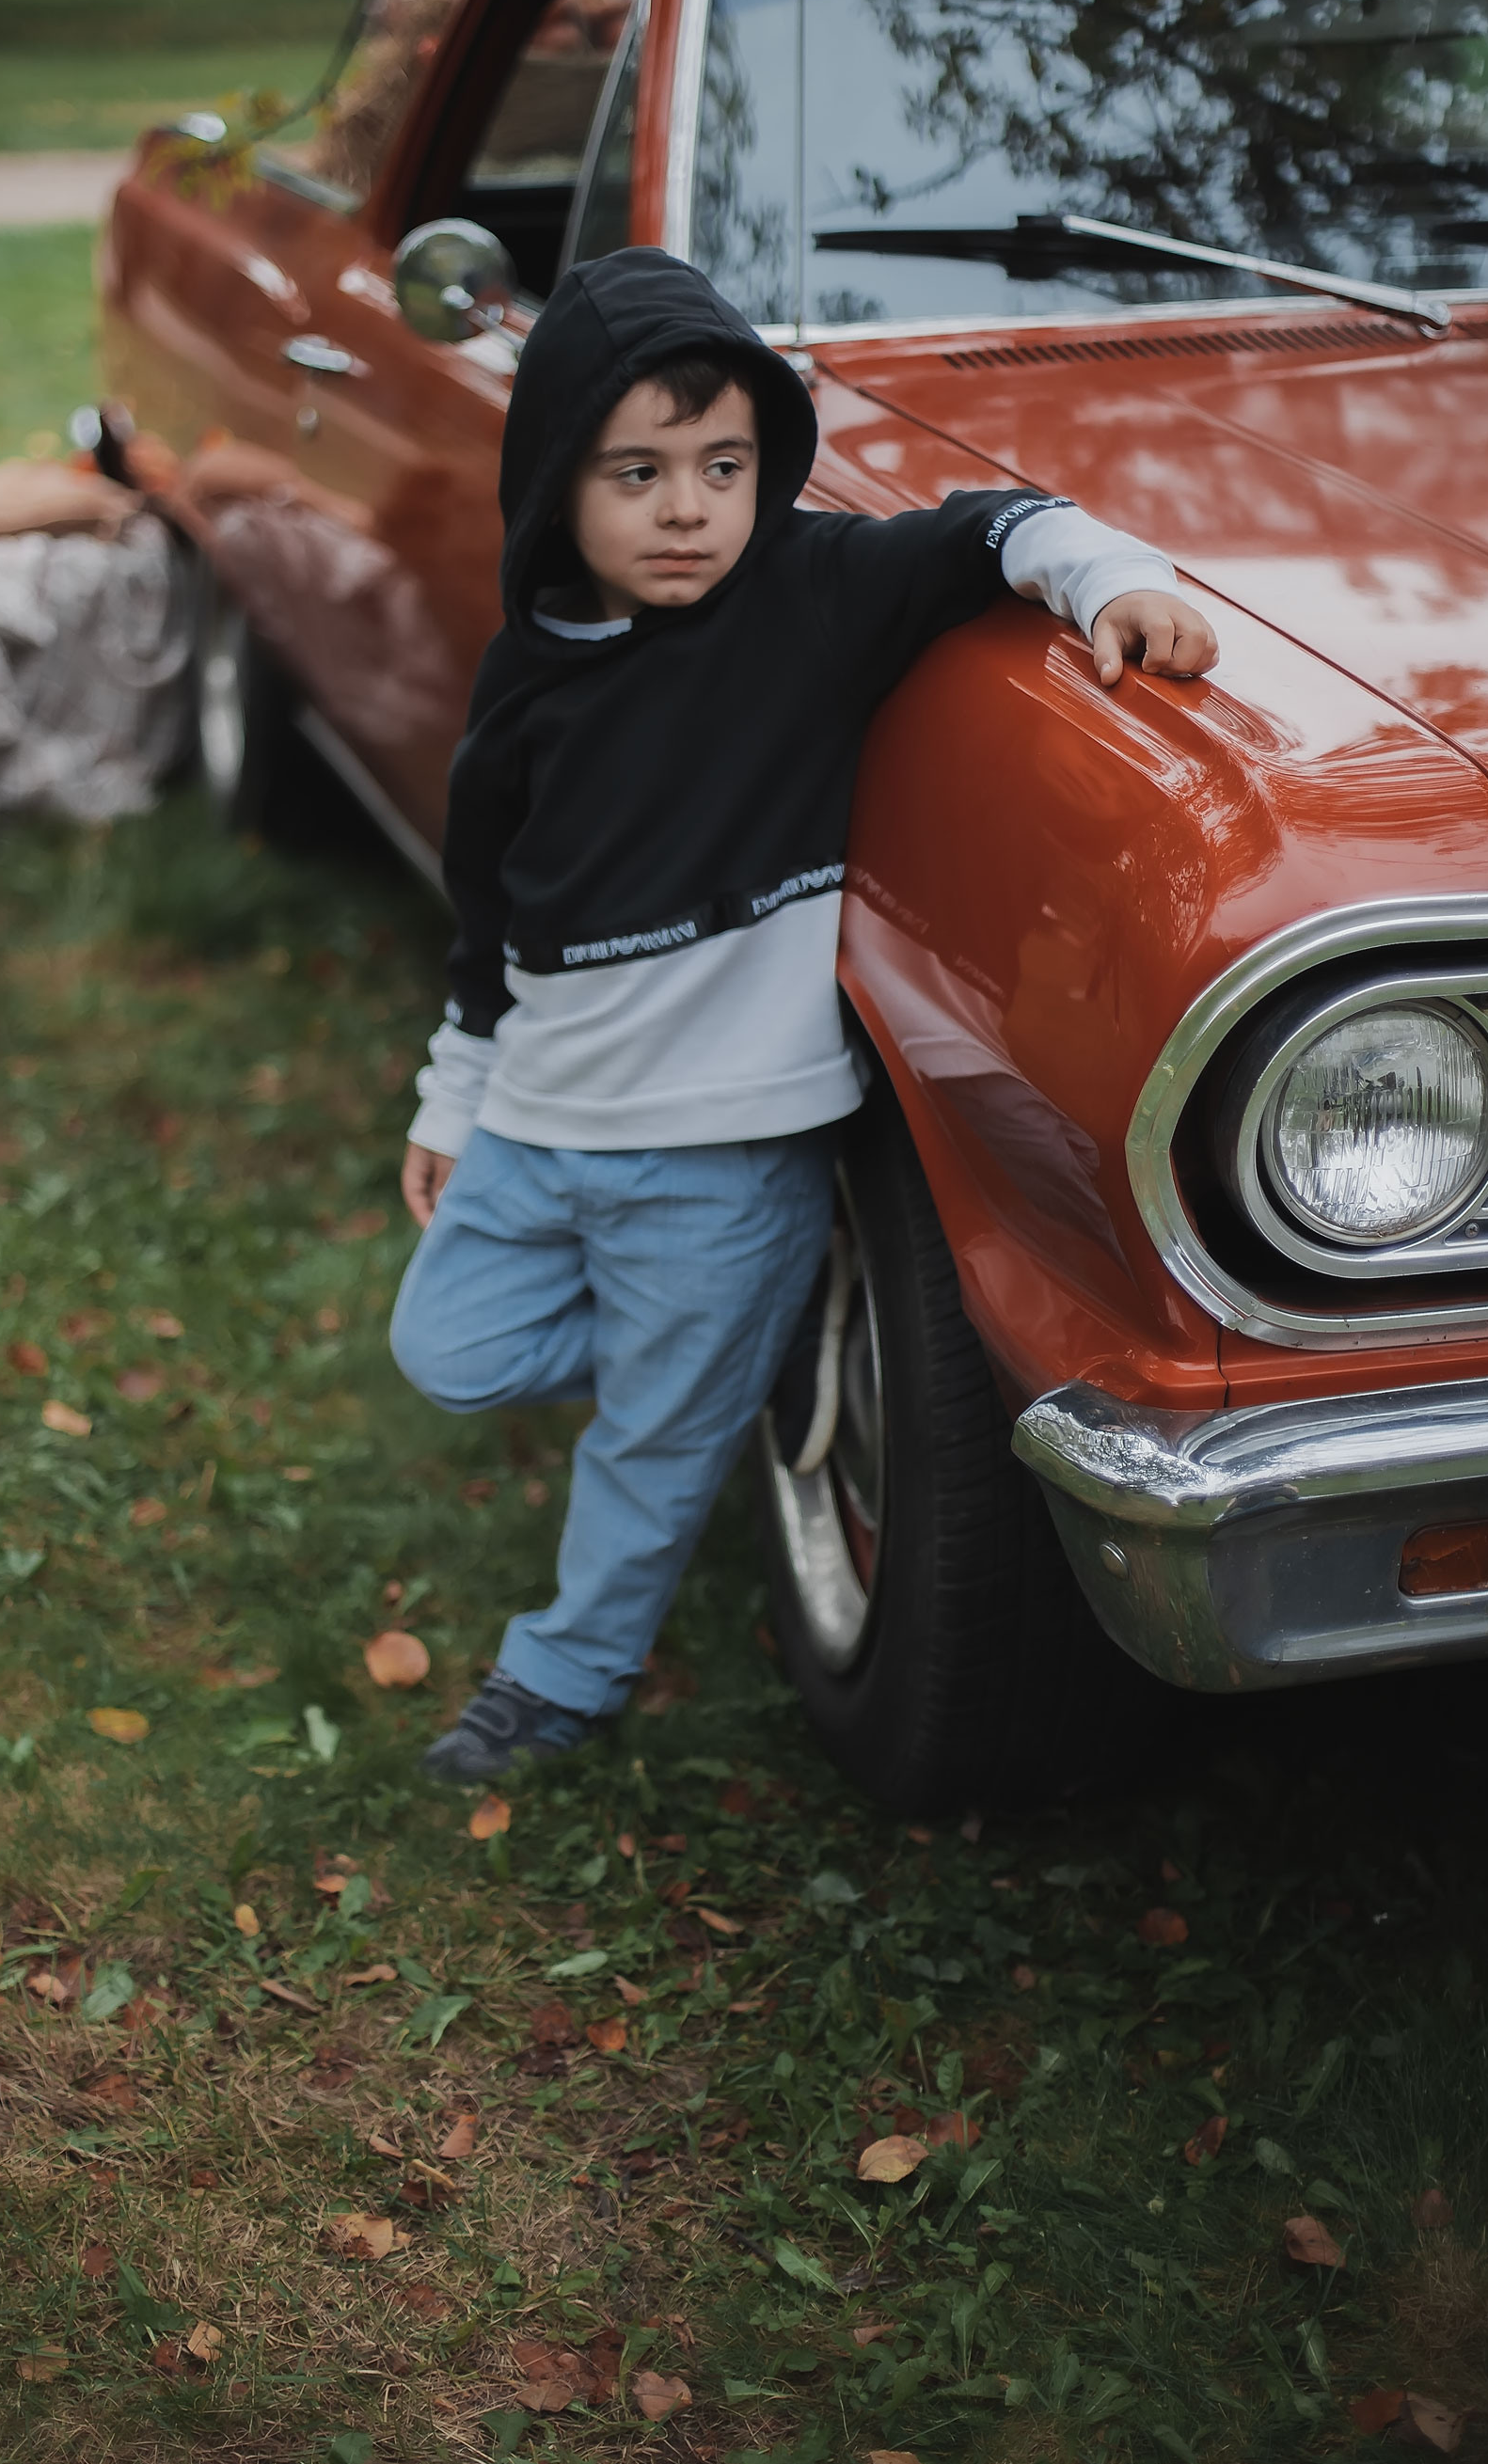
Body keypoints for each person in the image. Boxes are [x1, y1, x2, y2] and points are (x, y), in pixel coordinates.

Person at [389, 247, 1216, 1784]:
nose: (688, 508)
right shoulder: (528, 673)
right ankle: (740, 1345)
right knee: (451, 1351)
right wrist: (456, 1094)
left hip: (725, 1147)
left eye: (723, 464)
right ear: (553, 488)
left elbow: (995, 527)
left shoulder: (810, 598)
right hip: (541, 1119)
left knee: (649, 1446)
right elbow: (488, 910)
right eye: (635, 473)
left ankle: (561, 1680)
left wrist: (1119, 582)